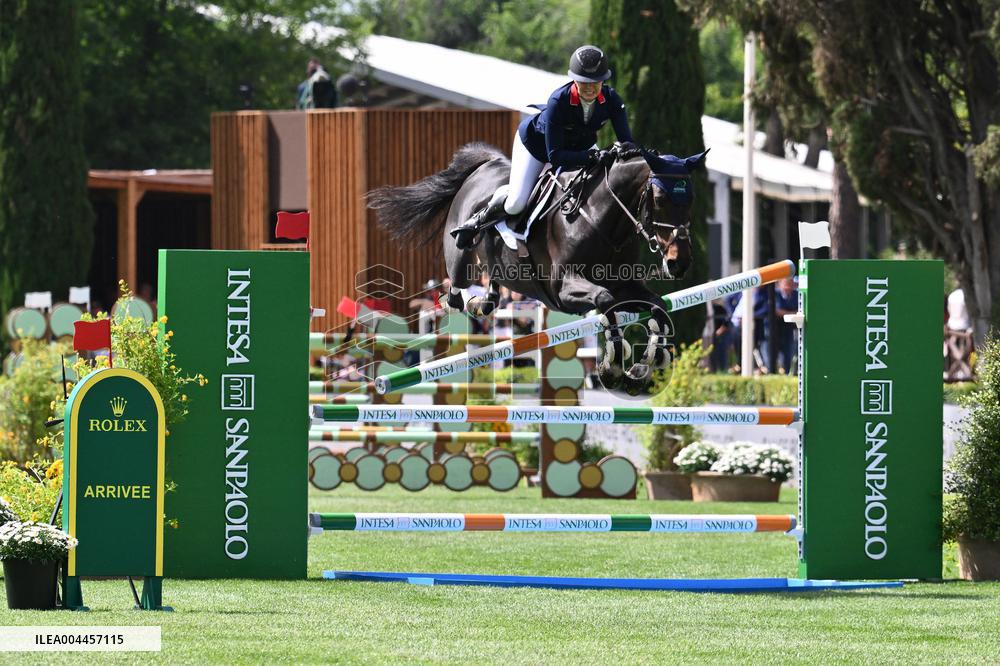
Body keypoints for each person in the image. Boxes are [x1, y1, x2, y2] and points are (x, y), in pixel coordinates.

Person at [451, 45, 636, 249]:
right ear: (574, 79)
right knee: (516, 203)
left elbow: (627, 142)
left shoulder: (612, 100)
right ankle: (480, 218)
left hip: (579, 147)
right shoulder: (558, 101)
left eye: (596, 82)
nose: (590, 88)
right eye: (584, 83)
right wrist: (592, 157)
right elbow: (555, 157)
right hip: (536, 146)